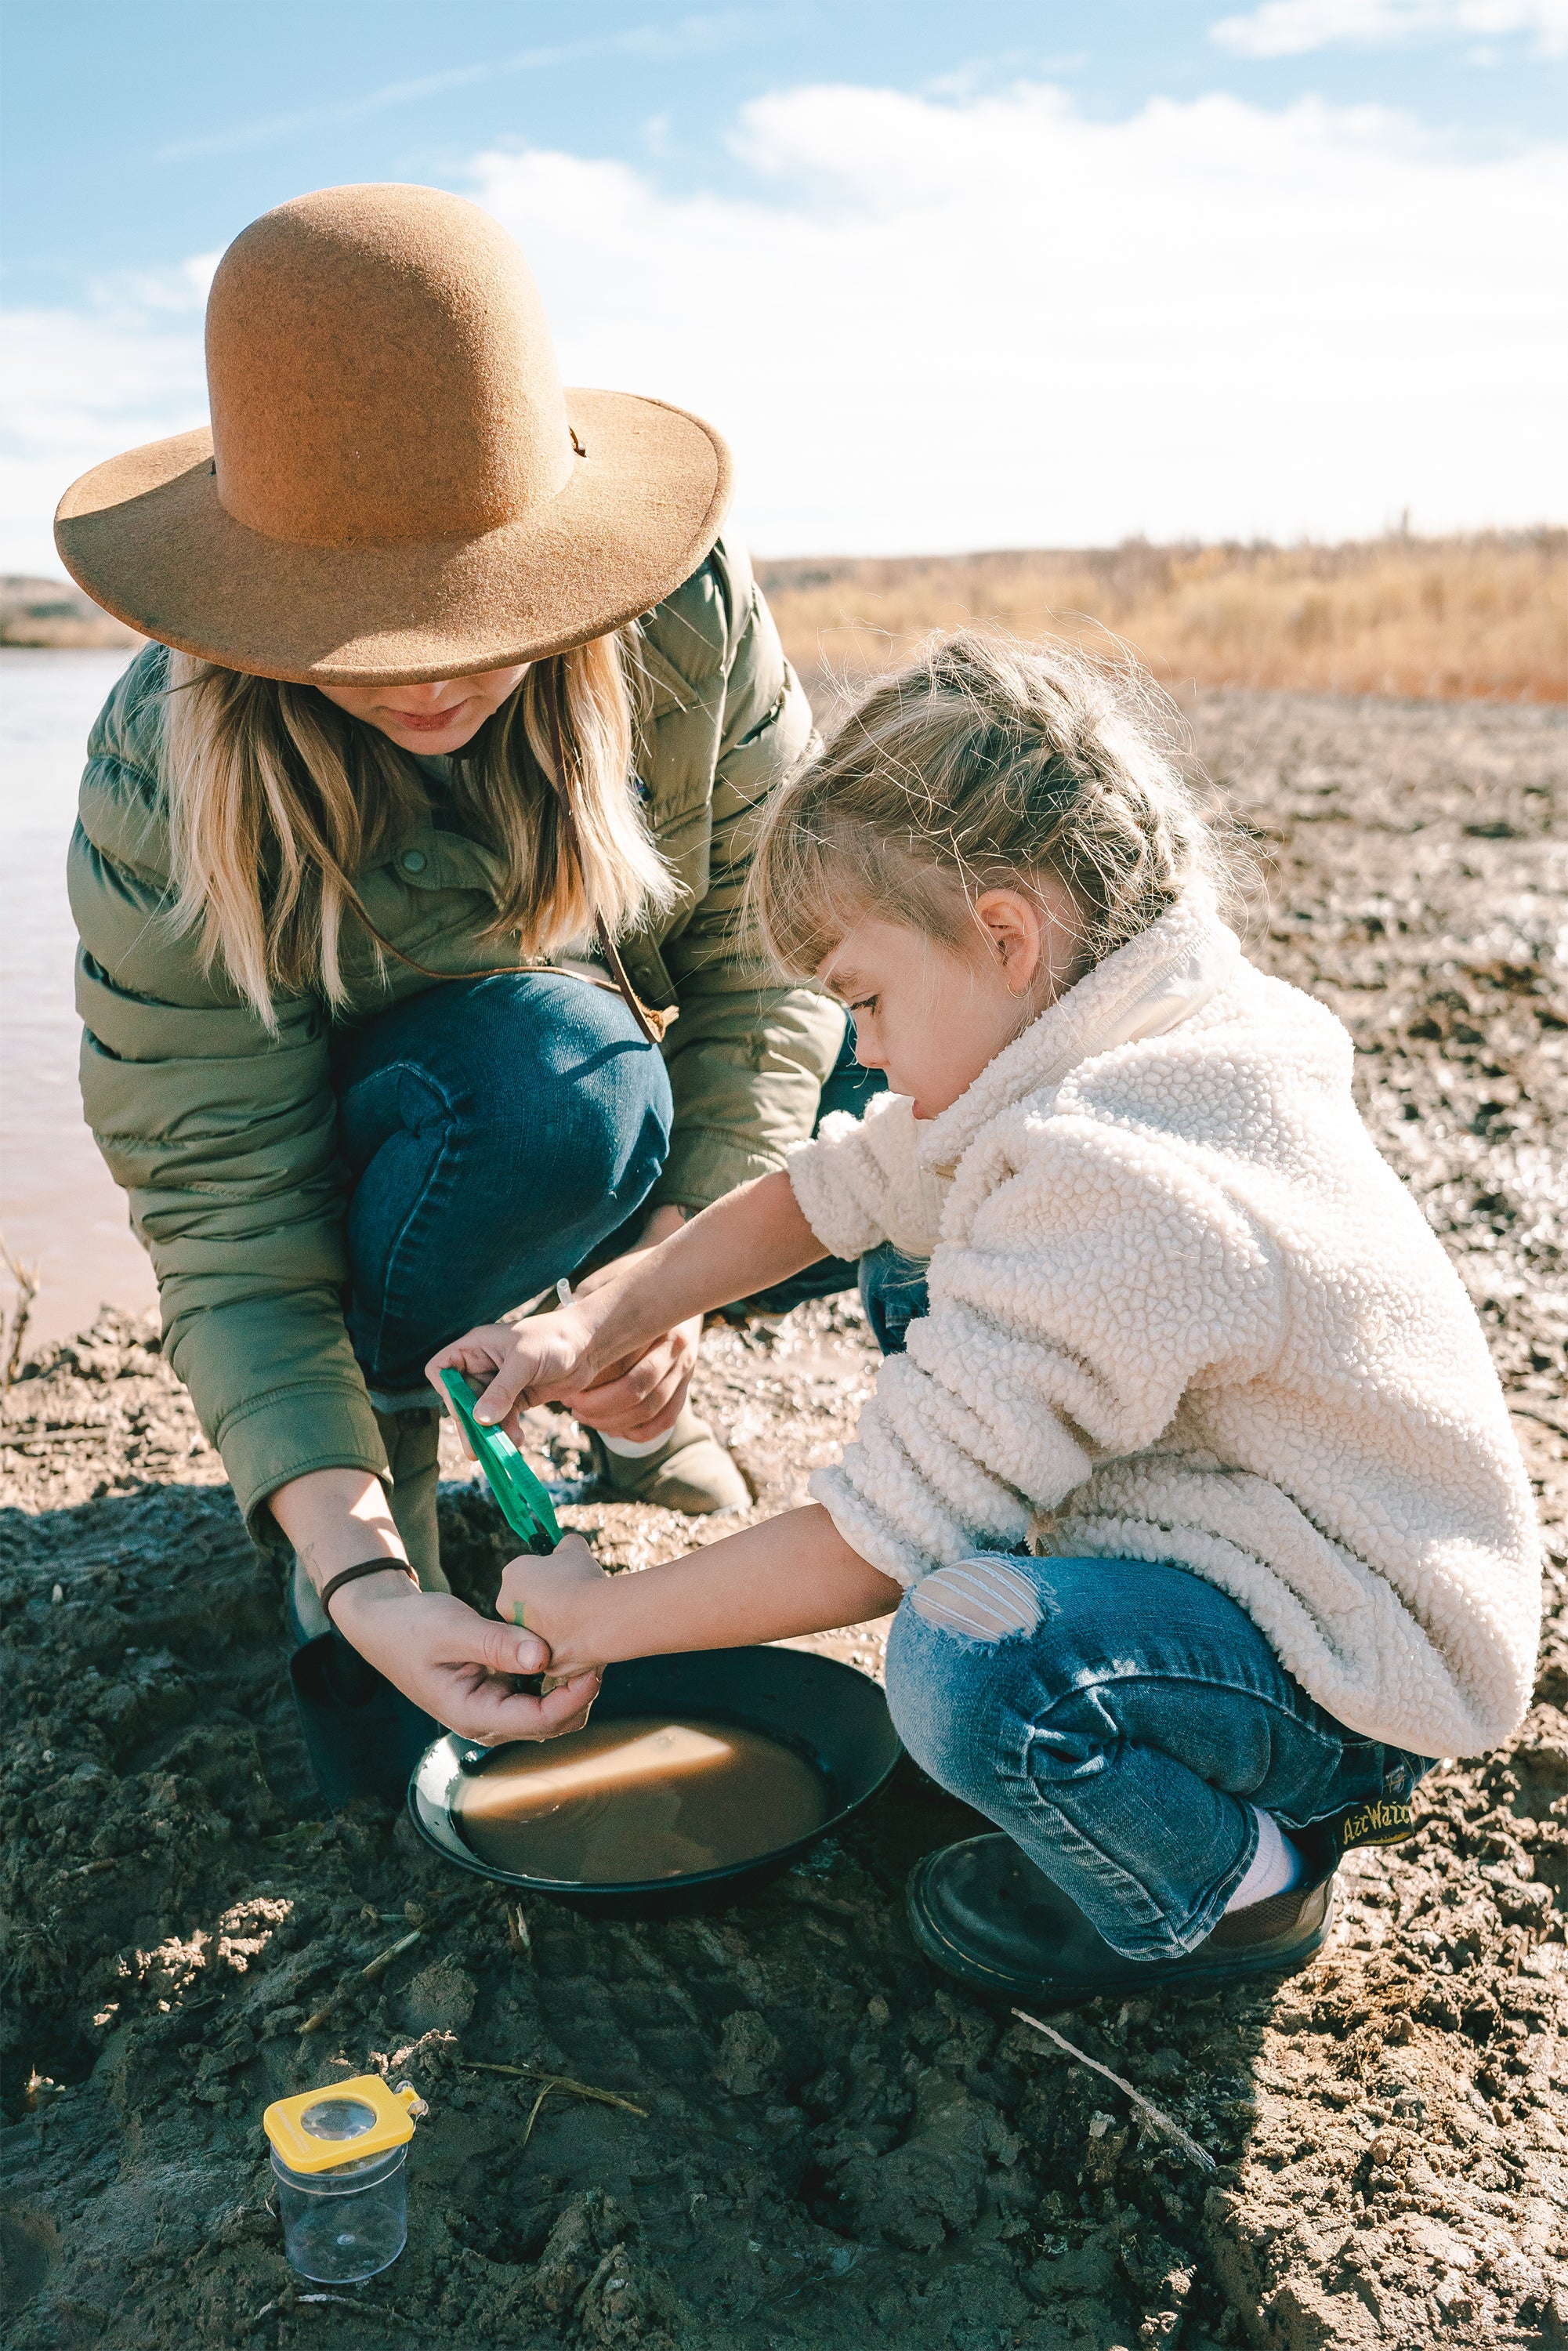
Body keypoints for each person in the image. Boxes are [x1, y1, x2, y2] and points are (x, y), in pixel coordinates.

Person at [430, 631, 1542, 2000]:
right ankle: (1153, 1723)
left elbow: (874, 1548)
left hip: (1348, 1667)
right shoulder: (1114, 1028)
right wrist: (590, 1321)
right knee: (911, 1251)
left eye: (868, 1000)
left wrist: (596, 1620)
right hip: (1275, 1532)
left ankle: (1235, 1888)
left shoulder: (1122, 1171)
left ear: (1005, 933)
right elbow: (828, 1192)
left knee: (967, 1666)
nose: (872, 1053)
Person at [56, 182, 843, 1748]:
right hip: (445, 1127)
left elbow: (777, 960)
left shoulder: (684, 616)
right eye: (369, 628)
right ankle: (406, 1416)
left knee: (947, 1031)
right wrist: (349, 1567)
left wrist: (658, 1288)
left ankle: (614, 1383)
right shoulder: (165, 769)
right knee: (557, 1086)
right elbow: (223, 1203)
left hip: (620, 1094)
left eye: (488, 602)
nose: (446, 672)